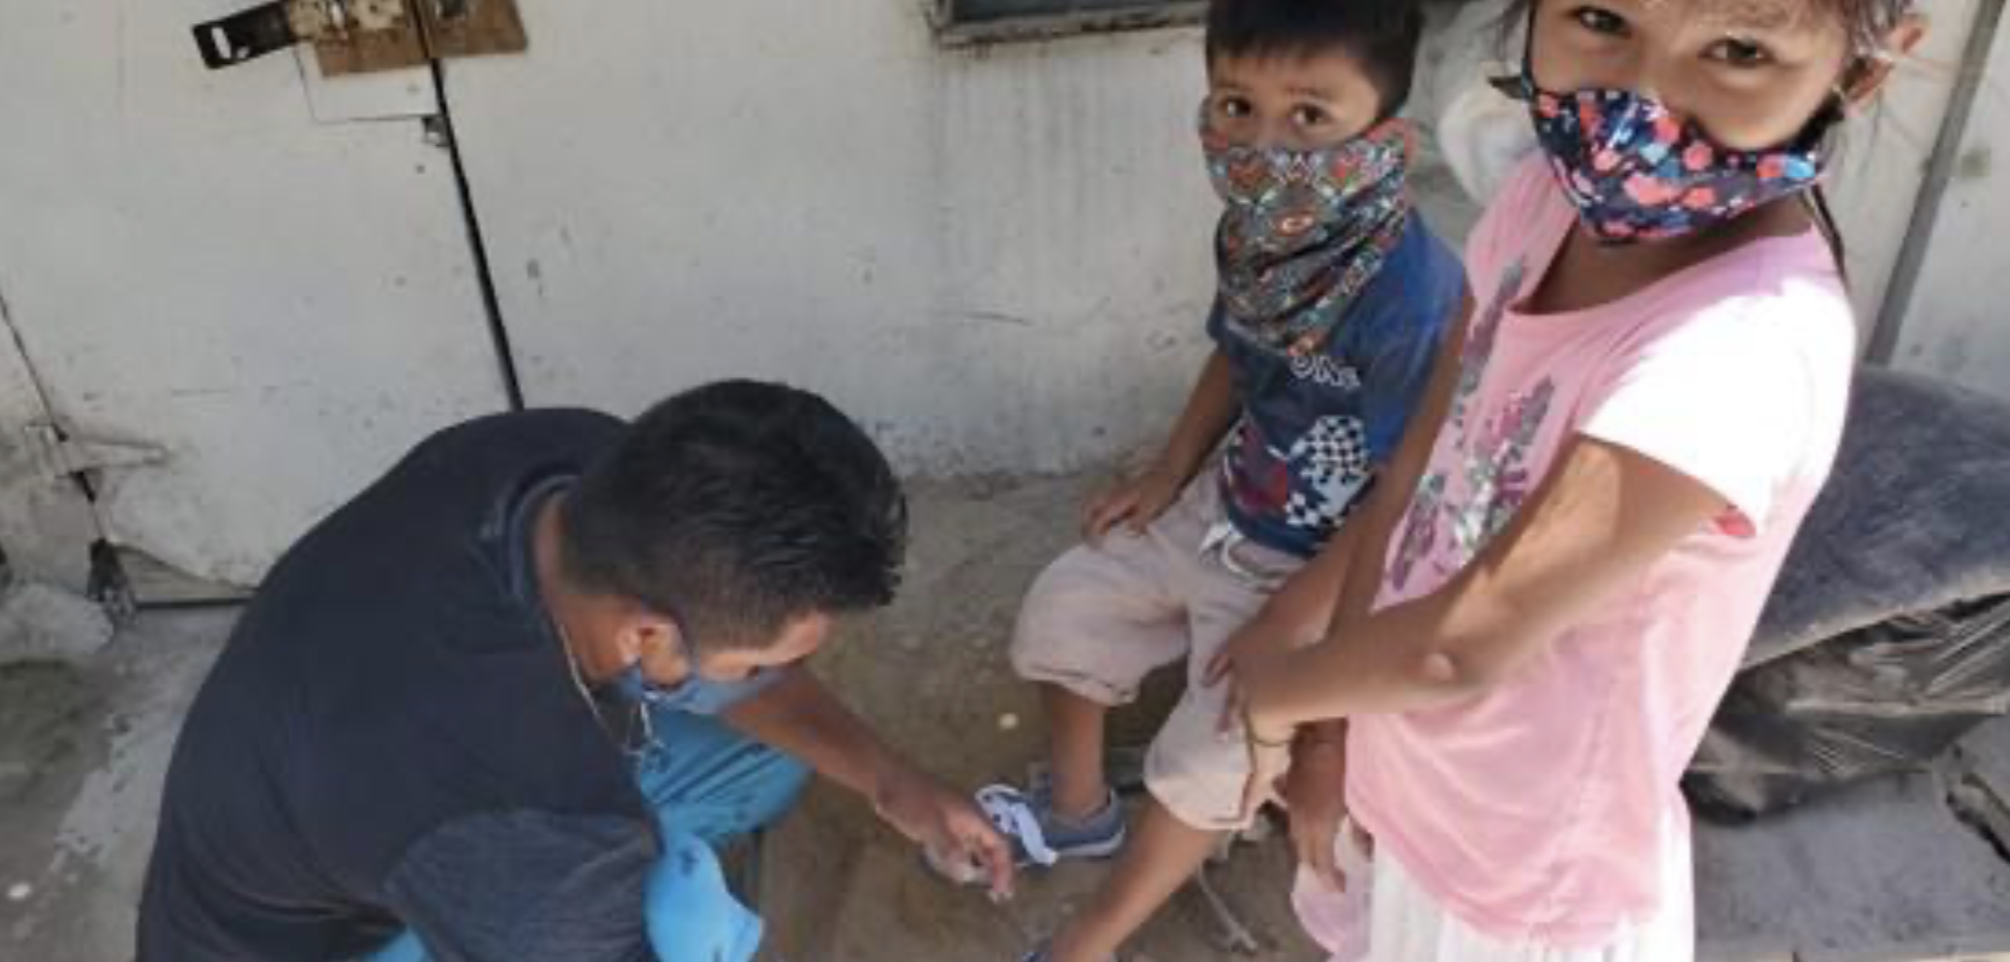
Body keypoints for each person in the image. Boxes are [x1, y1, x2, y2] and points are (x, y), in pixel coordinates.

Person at [1229, 0, 1927, 955]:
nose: (1643, 102)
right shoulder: (1544, 203)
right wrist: (1335, 732)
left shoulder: (1742, 345)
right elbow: (1418, 477)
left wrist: (1277, 699)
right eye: (1601, 18)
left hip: (1528, 885)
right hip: (1417, 794)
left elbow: (1458, 650)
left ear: (1863, 72)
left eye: (1738, 50)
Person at [136, 380, 1013, 962]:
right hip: (328, 935)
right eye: (757, 660)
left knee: (770, 754)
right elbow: (524, 849)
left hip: (341, 779)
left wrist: (894, 783)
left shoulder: (575, 464)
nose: (771, 674)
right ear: (645, 638)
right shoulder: (501, 808)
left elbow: (734, 675)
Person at [994, 0, 1464, 957]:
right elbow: (1234, 354)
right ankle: (1079, 808)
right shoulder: (1260, 236)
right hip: (1226, 506)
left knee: (1210, 762)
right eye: (1235, 106)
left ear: (1385, 136)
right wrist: (1170, 471)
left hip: (1328, 567)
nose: (1262, 144)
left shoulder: (1411, 298)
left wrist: (1294, 624)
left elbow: (1407, 493)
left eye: (1310, 115)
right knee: (1063, 604)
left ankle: (1098, 933)